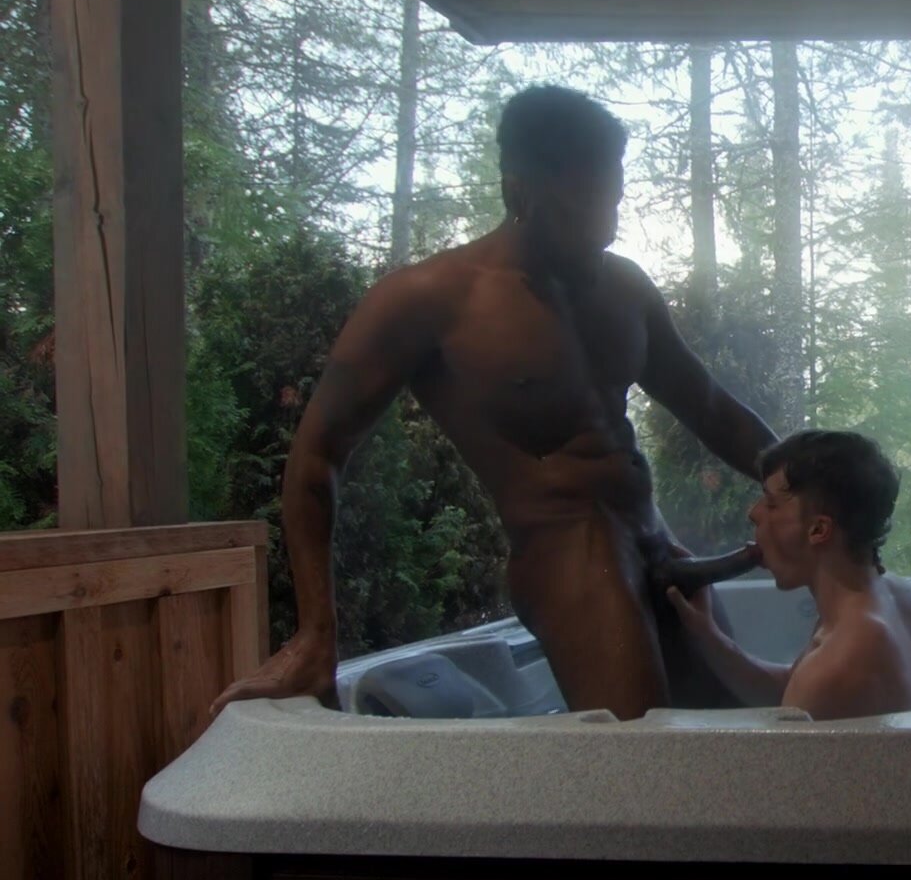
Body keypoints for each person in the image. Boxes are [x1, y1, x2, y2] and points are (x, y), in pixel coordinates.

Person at [211, 85, 779, 721]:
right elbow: (317, 456)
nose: (606, 227)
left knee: (732, 738)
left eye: (614, 199)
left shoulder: (623, 286)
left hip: (660, 544)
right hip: (571, 557)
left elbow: (710, 408)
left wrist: (816, 483)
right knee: (647, 759)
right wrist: (316, 634)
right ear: (520, 192)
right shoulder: (429, 300)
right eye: (586, 205)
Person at [667, 430, 911, 720]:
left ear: (819, 530)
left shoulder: (839, 658)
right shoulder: (898, 598)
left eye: (771, 504)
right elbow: (790, 689)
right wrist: (708, 635)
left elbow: (807, 698)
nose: (754, 513)